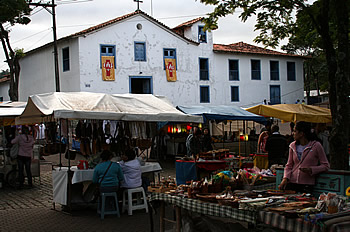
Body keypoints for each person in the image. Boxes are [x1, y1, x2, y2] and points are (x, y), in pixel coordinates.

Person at [279, 121, 330, 193]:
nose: (293, 133)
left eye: (295, 131)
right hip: (292, 182)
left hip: (307, 184)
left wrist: (311, 169)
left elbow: (326, 165)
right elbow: (289, 165)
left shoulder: (316, 145)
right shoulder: (292, 146)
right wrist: (285, 178)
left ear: (301, 134)